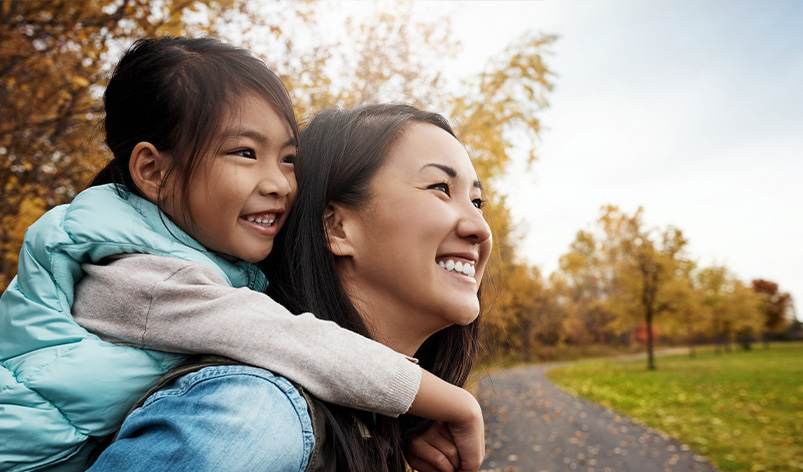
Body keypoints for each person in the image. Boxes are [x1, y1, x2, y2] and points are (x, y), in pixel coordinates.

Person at [0, 38, 482, 472]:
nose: (278, 184)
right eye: (245, 153)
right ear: (152, 170)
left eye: (288, 159)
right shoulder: (248, 403)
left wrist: (389, 425)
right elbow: (289, 340)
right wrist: (450, 403)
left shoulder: (213, 275)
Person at [84, 103, 493, 472]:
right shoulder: (260, 413)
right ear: (335, 227)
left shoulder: (361, 427)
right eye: (440, 188)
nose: (478, 227)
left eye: (477, 202)